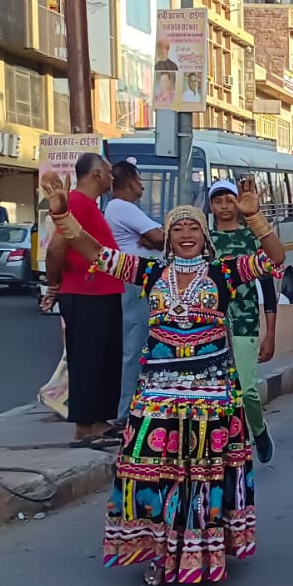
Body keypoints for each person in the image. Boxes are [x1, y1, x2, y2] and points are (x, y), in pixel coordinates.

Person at [41, 174, 285, 586]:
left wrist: (255, 218)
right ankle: (158, 555)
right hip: (157, 397)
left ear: (204, 236)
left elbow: (274, 259)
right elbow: (97, 254)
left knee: (204, 477)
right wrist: (63, 216)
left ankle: (204, 554)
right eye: (178, 229)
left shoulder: (223, 273)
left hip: (210, 395)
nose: (186, 235)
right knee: (155, 475)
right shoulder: (151, 272)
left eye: (193, 228)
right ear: (167, 238)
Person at [43, 154, 125, 448]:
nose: (113, 177)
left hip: (104, 291)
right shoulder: (75, 203)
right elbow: (55, 250)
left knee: (106, 359)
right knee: (88, 360)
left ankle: (100, 422)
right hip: (85, 293)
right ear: (97, 174)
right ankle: (84, 426)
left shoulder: (90, 205)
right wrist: (54, 284)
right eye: (109, 172)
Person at [209, 180, 279, 464]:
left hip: (246, 320)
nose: (224, 207)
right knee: (220, 390)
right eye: (218, 201)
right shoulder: (205, 239)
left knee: (247, 388)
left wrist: (270, 333)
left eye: (229, 200)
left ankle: (259, 430)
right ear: (210, 205)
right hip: (212, 323)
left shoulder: (251, 239)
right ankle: (227, 443)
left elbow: (268, 288)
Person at [103, 160, 164, 423]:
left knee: (138, 344)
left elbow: (157, 237)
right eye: (139, 181)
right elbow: (162, 237)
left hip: (135, 281)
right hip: (134, 282)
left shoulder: (119, 209)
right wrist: (154, 238)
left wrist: (153, 238)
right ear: (130, 182)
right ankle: (126, 412)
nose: (142, 186)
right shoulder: (122, 207)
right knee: (135, 345)